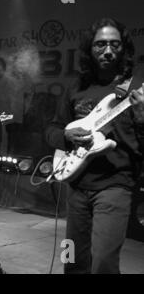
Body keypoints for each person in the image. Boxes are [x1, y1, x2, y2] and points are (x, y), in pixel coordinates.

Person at [45, 18, 144, 274]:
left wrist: (143, 118)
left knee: (103, 263)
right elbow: (52, 130)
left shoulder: (134, 88)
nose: (108, 51)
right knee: (74, 262)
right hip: (77, 184)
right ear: (90, 49)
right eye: (100, 45)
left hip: (116, 184)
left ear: (124, 49)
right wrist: (67, 138)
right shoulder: (77, 86)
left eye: (115, 45)